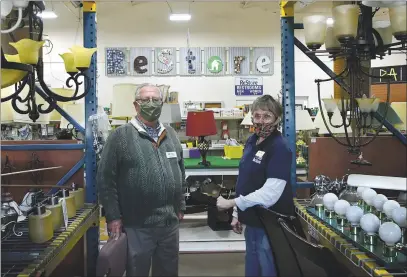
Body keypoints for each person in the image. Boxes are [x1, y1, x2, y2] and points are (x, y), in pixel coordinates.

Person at [97, 83, 186, 277]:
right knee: (137, 271)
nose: (151, 104)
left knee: (168, 272)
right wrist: (113, 216)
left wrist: (181, 205)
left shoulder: (170, 134)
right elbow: (106, 180)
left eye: (156, 100)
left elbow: (180, 171)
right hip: (137, 225)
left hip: (169, 225)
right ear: (136, 105)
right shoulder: (120, 136)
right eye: (146, 100)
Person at [216, 95, 295, 277]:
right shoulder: (252, 141)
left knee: (268, 267)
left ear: (277, 119)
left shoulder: (280, 147)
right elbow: (245, 179)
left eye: (267, 116)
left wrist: (231, 203)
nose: (261, 121)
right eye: (257, 116)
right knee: (253, 267)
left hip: (270, 223)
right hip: (252, 220)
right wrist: (237, 213)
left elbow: (270, 194)